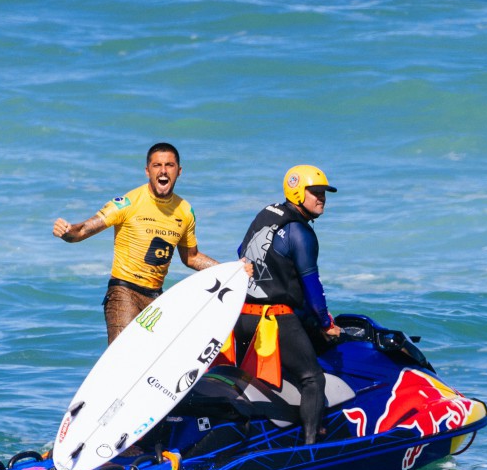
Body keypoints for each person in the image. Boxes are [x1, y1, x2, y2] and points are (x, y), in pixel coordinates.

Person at [52, 143, 219, 342]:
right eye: (157, 165)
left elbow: (191, 257)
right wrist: (67, 232)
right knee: (124, 353)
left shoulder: (185, 211)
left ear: (179, 171)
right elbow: (83, 230)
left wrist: (231, 271)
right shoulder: (128, 203)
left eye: (169, 165)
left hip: (156, 298)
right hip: (124, 292)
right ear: (147, 171)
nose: (163, 170)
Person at [231, 164, 339, 445]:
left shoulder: (267, 214)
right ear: (297, 192)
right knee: (313, 378)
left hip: (241, 317)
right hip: (274, 319)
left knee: (244, 380)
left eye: (324, 193)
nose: (322, 198)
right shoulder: (301, 233)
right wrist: (326, 323)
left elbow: (242, 252)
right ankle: (311, 446)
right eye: (315, 193)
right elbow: (312, 288)